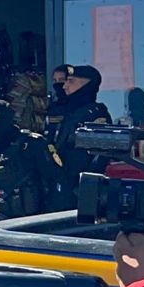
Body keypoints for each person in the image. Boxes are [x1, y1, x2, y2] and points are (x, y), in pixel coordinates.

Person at [48, 64, 114, 209]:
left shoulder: (95, 115)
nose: (64, 86)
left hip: (80, 190)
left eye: (71, 81)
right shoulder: (69, 112)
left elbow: (100, 157)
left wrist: (83, 189)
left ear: (87, 85)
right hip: (62, 186)